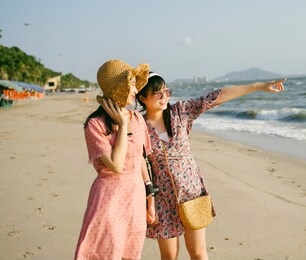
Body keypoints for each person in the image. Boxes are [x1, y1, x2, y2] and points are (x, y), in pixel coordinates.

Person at [136, 72, 285, 260]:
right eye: (156, 93)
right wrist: (147, 200)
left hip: (191, 194)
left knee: (198, 253)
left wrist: (257, 86)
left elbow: (216, 96)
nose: (163, 96)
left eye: (166, 91)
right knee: (169, 256)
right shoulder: (138, 125)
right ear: (142, 98)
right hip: (162, 200)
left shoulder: (180, 112)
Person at [74, 59, 157, 260]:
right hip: (109, 201)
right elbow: (116, 165)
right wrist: (122, 126)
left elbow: (141, 161)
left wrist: (150, 198)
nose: (136, 90)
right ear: (117, 87)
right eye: (131, 85)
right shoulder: (95, 125)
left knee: (130, 253)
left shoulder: (138, 119)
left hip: (135, 200)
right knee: (105, 253)